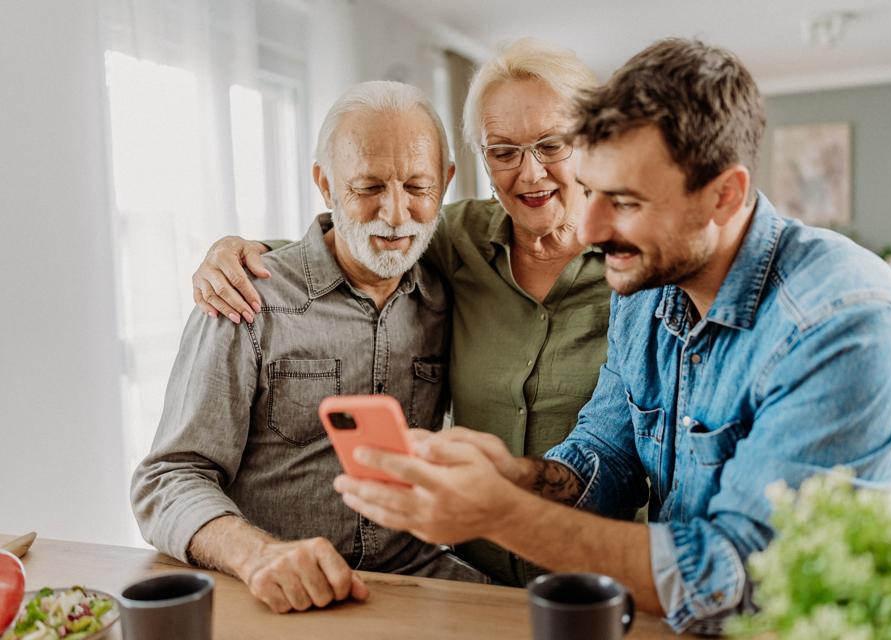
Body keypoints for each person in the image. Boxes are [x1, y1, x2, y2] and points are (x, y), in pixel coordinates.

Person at [330, 39, 891, 634]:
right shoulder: (651, 286)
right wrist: (517, 477)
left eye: (622, 202)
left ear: (723, 195)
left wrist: (500, 513)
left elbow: (738, 578)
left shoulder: (846, 327)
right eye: (594, 191)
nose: (593, 228)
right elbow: (609, 447)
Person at [188, 39, 611, 586]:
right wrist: (237, 250)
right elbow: (362, 247)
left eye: (551, 145)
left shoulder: (641, 269)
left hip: (595, 574)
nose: (529, 175)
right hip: (471, 579)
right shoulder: (458, 241)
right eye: (503, 151)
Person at [131, 81, 487, 616]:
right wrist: (258, 556)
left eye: (418, 185)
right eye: (368, 187)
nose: (396, 213)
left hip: (411, 576)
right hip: (270, 585)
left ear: (446, 183)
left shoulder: (446, 299)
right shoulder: (246, 297)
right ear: (325, 184)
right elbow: (167, 480)